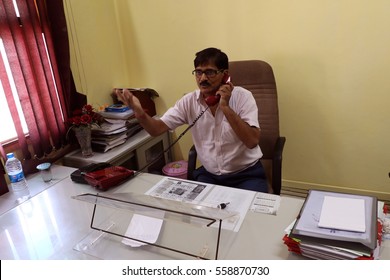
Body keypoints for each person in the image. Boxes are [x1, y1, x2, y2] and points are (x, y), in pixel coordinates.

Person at [117, 47, 268, 193]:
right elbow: (157, 129)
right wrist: (140, 113)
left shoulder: (243, 97)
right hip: (210, 176)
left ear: (225, 75)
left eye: (209, 72)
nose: (202, 78)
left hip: (246, 175)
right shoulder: (189, 101)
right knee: (197, 214)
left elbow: (252, 141)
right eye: (198, 72)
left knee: (251, 216)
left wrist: (226, 107)